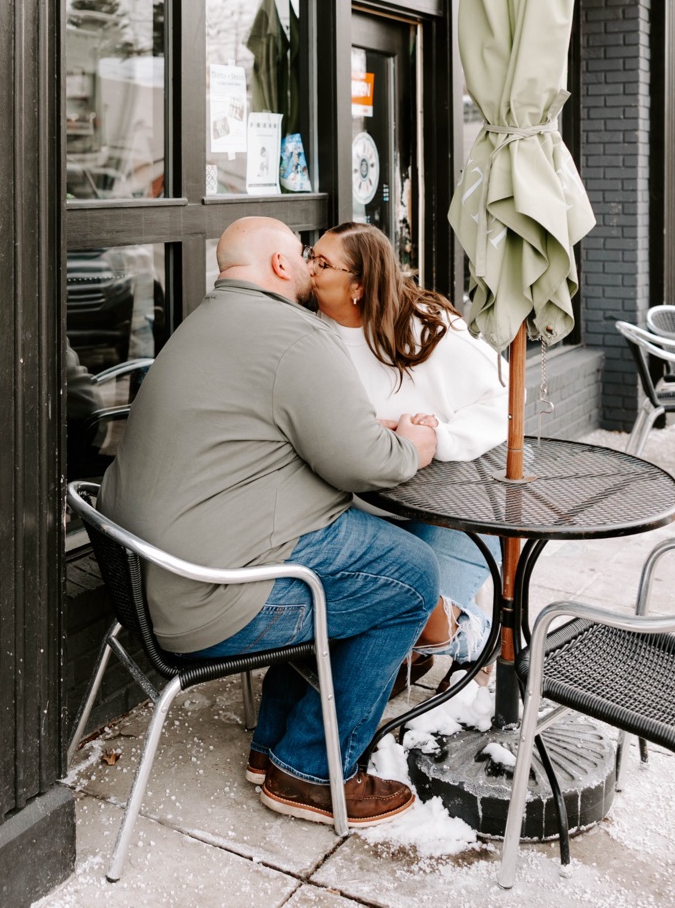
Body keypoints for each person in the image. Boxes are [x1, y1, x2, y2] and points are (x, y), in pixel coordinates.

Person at [101, 216, 442, 827]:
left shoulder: (201, 324)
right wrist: (413, 443)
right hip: (206, 604)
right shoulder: (295, 334)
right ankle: (309, 772)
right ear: (282, 267)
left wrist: (368, 430)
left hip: (154, 582)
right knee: (410, 574)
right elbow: (365, 463)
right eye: (304, 257)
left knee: (347, 570)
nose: (313, 267)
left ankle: (271, 747)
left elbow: (275, 428)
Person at [308, 220, 509, 674]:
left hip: (441, 507)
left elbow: (504, 397)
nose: (309, 267)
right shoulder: (307, 330)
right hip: (353, 510)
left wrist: (437, 437)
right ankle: (423, 649)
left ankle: (466, 636)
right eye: (310, 254)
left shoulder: (428, 330)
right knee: (379, 620)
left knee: (422, 621)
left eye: (322, 262)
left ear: (358, 286)